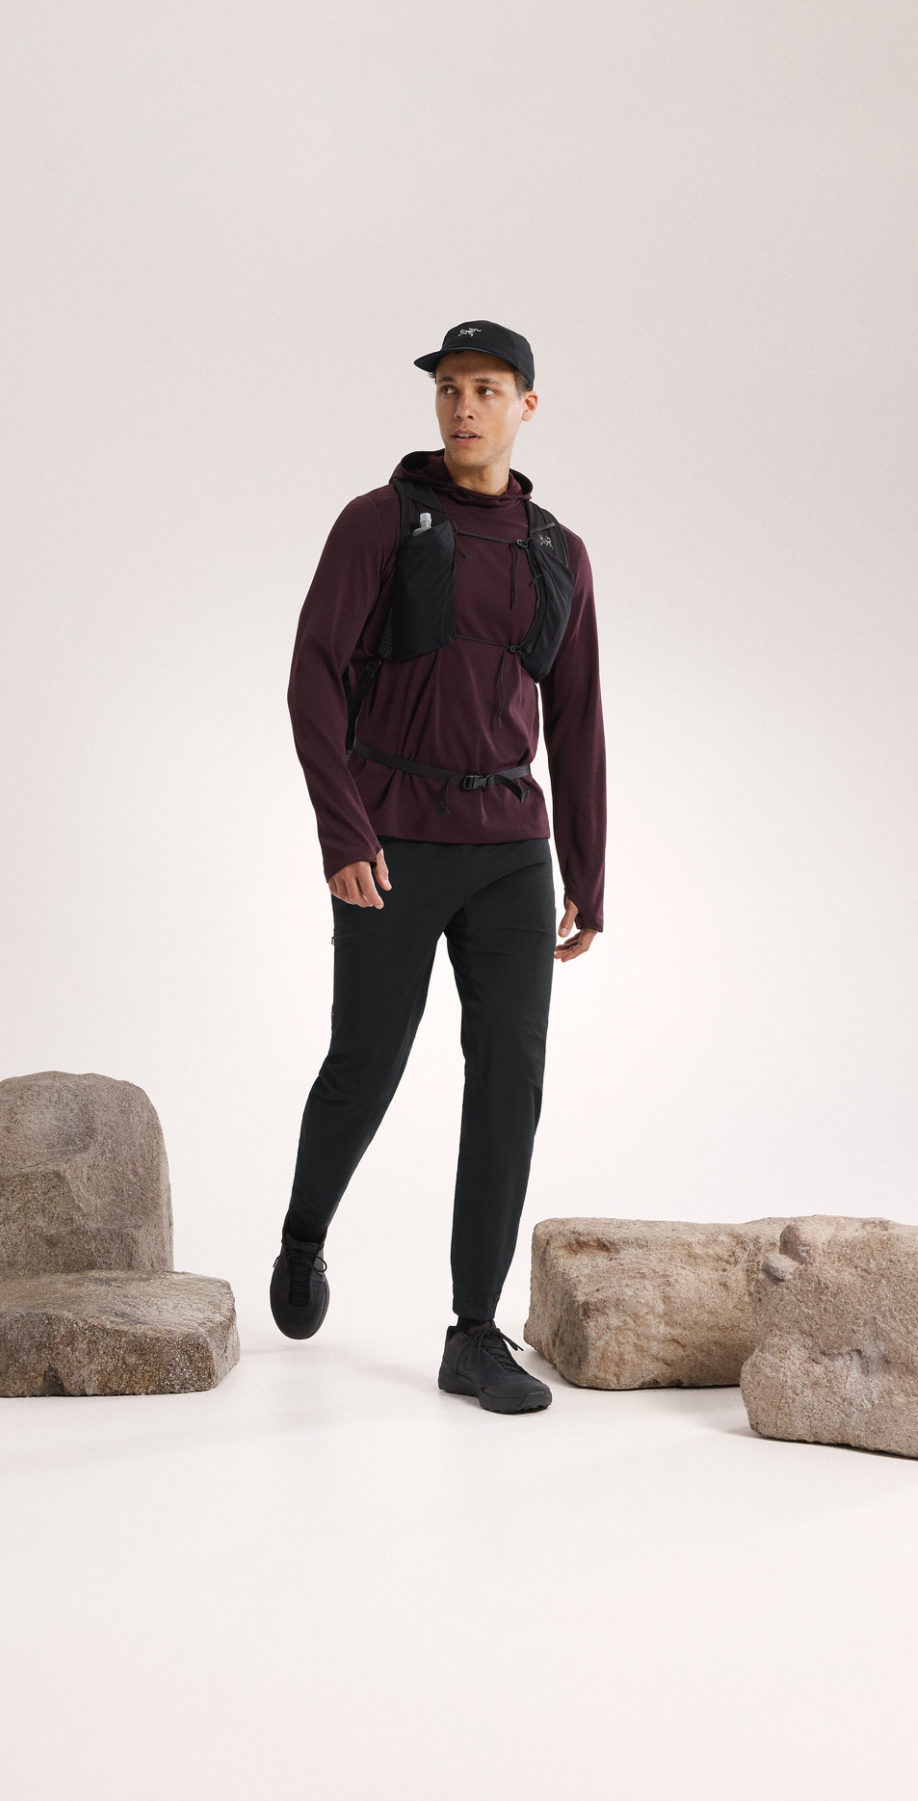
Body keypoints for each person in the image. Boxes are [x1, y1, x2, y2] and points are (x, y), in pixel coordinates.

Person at [275, 320, 606, 1413]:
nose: (464, 407)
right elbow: (313, 677)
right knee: (366, 1063)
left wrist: (586, 867)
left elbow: (577, 715)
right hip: (394, 841)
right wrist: (343, 833)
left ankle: (473, 1332)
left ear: (525, 405)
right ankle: (303, 1236)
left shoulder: (557, 549)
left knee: (508, 1080)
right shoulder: (378, 523)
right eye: (449, 388)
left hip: (510, 849)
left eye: (486, 389)